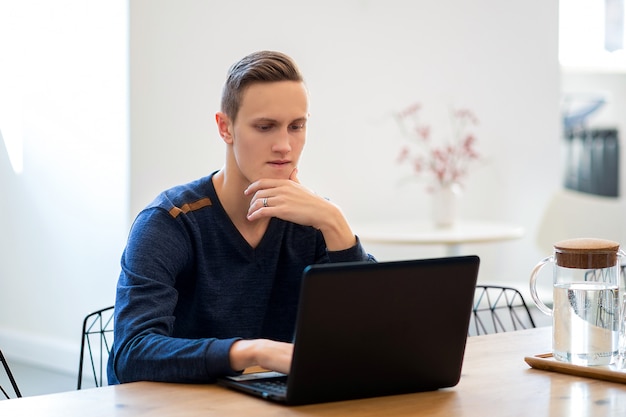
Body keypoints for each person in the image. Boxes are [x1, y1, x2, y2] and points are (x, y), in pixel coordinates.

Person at [107, 50, 375, 384]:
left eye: (297, 126)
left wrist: (336, 224)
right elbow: (131, 354)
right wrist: (253, 352)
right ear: (225, 128)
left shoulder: (315, 220)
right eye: (265, 127)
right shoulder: (169, 222)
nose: (284, 145)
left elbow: (372, 337)